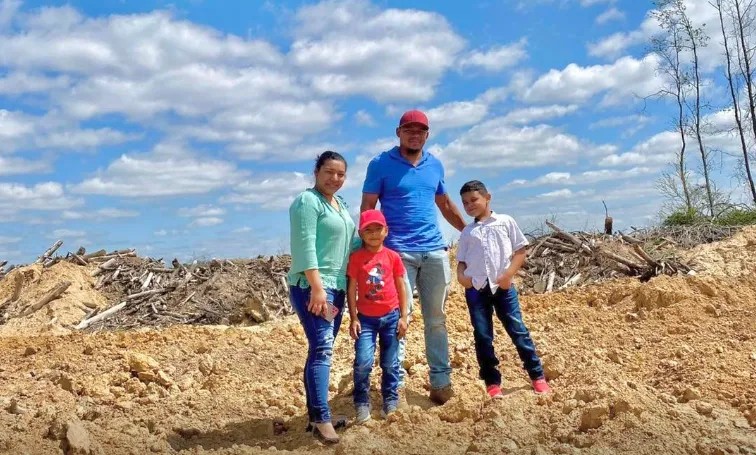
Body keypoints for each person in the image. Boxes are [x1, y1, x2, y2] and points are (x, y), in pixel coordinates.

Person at [361, 110, 466, 405]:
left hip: (434, 251)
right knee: (399, 320)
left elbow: (444, 203)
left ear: (427, 135)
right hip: (396, 253)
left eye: (420, 130)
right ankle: (395, 390)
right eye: (409, 129)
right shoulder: (380, 164)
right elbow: (368, 206)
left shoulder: (435, 165)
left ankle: (441, 384)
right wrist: (368, 248)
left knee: (437, 320)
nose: (415, 134)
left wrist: (469, 232)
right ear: (398, 132)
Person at [455, 180, 551, 398]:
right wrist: (462, 278)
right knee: (482, 335)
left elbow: (520, 250)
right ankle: (492, 382)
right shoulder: (468, 232)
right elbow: (461, 260)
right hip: (476, 289)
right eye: (464, 202)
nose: (469, 205)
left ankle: (537, 376)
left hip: (503, 288)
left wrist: (508, 275)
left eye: (474, 200)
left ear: (487, 197)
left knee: (518, 331)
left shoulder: (505, 222)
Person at [288, 151, 355, 445]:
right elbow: (306, 245)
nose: (335, 179)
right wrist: (316, 287)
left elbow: (352, 243)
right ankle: (322, 419)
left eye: (341, 174)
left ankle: (316, 416)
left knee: (320, 348)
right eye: (329, 172)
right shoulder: (308, 201)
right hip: (314, 285)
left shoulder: (340, 204)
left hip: (337, 286)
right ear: (317, 172)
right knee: (323, 348)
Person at [347, 209, 409, 423]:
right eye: (368, 230)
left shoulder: (393, 257)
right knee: (363, 361)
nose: (373, 234)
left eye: (378, 229)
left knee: (391, 363)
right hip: (366, 320)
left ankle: (390, 400)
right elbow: (352, 289)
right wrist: (354, 318)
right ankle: (362, 402)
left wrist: (404, 316)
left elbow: (401, 287)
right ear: (361, 234)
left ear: (386, 231)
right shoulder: (356, 259)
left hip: (391, 317)